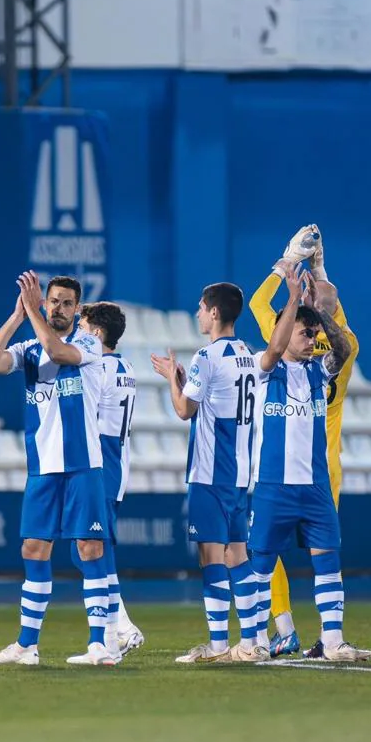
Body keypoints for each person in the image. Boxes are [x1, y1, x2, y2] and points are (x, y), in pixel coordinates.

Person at [0, 272, 116, 667]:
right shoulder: (28, 350)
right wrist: (16, 316)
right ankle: (26, 646)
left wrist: (36, 316)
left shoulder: (88, 344)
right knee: (33, 549)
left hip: (82, 465)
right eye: (52, 301)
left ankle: (99, 644)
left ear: (77, 310)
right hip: (42, 466)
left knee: (89, 549)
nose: (57, 308)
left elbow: (59, 353)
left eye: (65, 303)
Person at [249, 269, 371, 662]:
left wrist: (323, 318)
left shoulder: (319, 372)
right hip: (274, 486)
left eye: (313, 335)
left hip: (316, 485)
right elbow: (272, 349)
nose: (312, 341)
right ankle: (254, 639)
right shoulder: (264, 369)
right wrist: (292, 301)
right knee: (261, 564)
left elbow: (344, 351)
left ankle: (333, 640)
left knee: (328, 561)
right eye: (305, 335)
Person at [152, 282, 268, 664]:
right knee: (238, 554)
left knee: (211, 557)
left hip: (209, 472)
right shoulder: (247, 355)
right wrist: (186, 381)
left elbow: (185, 410)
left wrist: (172, 378)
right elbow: (215, 401)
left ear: (215, 312)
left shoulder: (207, 355)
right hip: (238, 475)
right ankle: (252, 641)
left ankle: (219, 647)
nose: (199, 313)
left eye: (202, 307)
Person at [79, 300, 142, 657]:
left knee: (90, 547)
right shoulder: (125, 367)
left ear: (97, 333)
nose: (78, 333)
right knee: (89, 547)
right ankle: (120, 625)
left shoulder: (98, 367)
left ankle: (117, 628)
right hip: (117, 459)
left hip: (101, 460)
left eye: (84, 327)